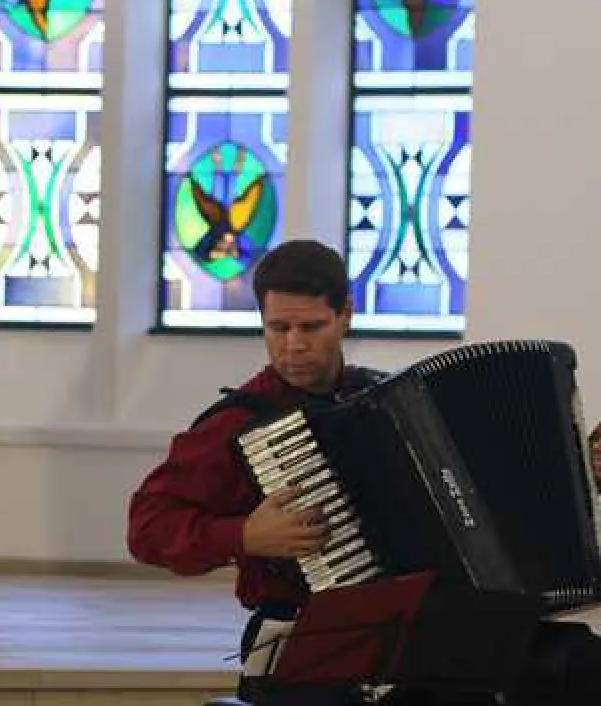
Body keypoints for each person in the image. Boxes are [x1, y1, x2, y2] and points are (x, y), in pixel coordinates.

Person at [126, 239, 601, 706]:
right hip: (302, 635)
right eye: (278, 327)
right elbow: (146, 527)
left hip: (423, 624)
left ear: (345, 315)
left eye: (312, 327)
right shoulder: (237, 423)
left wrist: (583, 480)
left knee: (575, 664)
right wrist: (245, 535)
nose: (293, 345)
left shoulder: (394, 403)